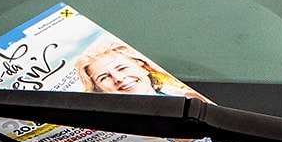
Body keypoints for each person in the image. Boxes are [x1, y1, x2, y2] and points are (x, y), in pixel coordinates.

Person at [75, 41, 204, 99]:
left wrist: (161, 70)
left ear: (144, 67)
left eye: (122, 68)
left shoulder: (183, 96)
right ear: (99, 89)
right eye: (103, 77)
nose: (118, 78)